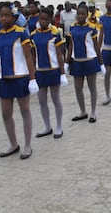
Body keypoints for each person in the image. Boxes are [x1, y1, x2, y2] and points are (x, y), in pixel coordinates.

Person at [0, 2, 39, 160]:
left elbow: (28, 57)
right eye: (1, 15)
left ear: (13, 17)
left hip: (21, 78)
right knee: (5, 114)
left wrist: (32, 79)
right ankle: (13, 144)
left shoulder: (21, 33)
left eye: (7, 15)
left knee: (25, 111)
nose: (4, 18)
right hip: (5, 80)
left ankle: (27, 145)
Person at [31, 7, 67, 138]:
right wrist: (32, 74)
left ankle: (59, 126)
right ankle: (47, 126)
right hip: (40, 71)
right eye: (41, 18)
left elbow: (59, 54)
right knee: (41, 100)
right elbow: (33, 55)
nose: (43, 21)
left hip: (53, 70)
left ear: (51, 19)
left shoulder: (55, 33)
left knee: (55, 98)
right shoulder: (33, 34)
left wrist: (62, 73)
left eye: (46, 19)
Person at [66, 4, 104, 123]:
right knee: (78, 88)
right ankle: (82, 111)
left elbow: (96, 45)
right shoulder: (72, 27)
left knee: (92, 87)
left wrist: (101, 62)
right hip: (77, 61)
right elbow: (70, 45)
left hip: (90, 60)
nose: (80, 16)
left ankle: (93, 112)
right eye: (78, 14)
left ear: (87, 15)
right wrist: (67, 61)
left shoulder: (92, 27)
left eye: (83, 14)